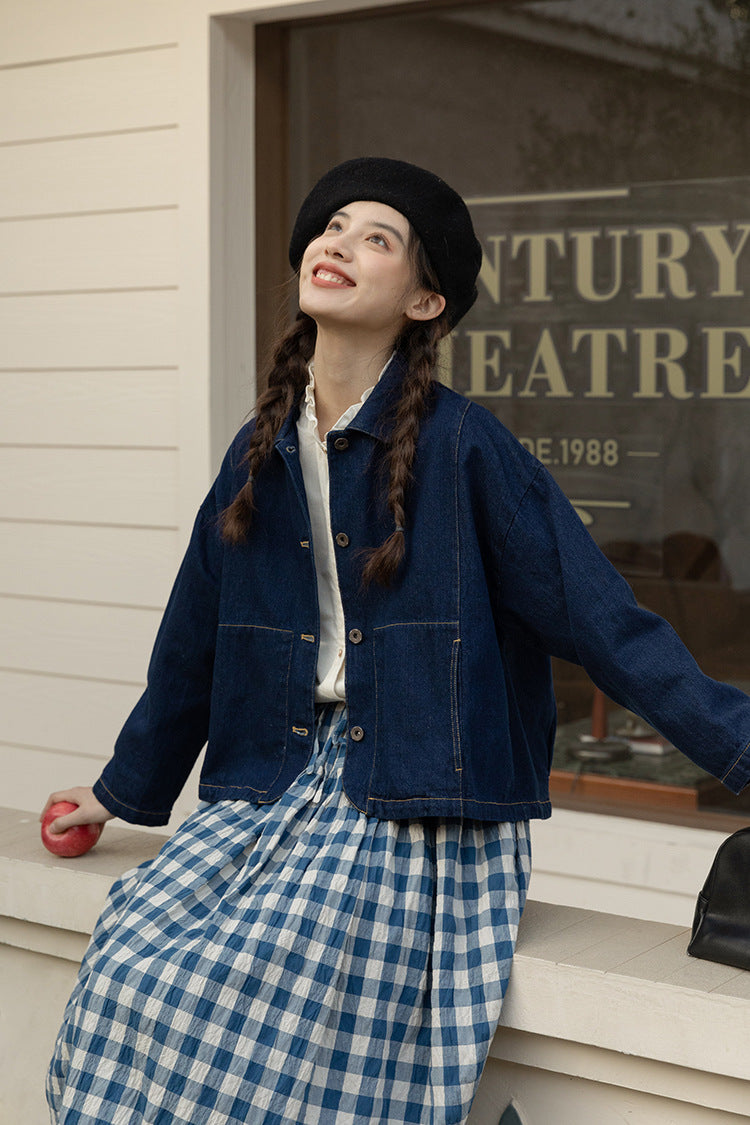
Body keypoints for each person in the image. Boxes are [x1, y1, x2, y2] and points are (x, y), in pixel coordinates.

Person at [43, 157, 750, 1125]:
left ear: (425, 299)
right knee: (131, 958)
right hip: (275, 786)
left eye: (376, 237)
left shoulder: (466, 450)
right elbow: (192, 643)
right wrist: (122, 789)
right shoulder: (258, 455)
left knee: (255, 1005)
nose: (338, 242)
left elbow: (604, 620)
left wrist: (741, 751)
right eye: (332, 226)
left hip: (415, 804)